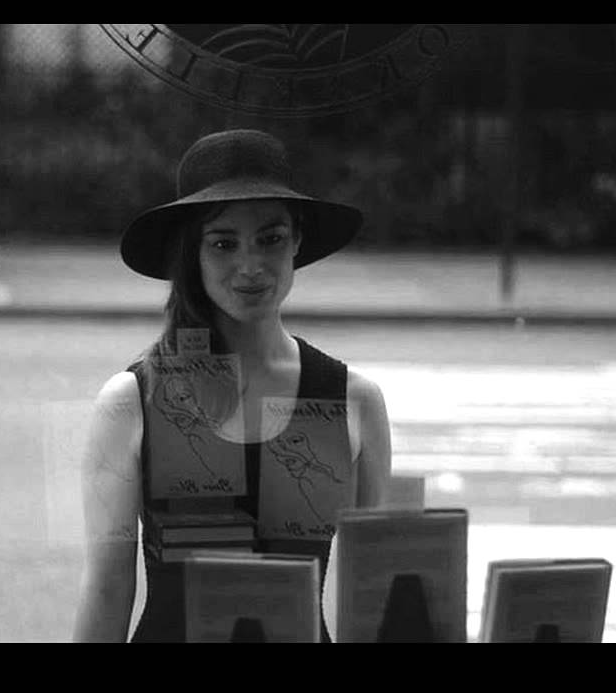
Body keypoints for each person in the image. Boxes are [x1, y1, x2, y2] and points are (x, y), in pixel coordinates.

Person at [73, 129, 392, 643]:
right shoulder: (134, 401)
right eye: (223, 244)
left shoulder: (355, 401)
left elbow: (371, 596)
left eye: (271, 238)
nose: (250, 266)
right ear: (192, 253)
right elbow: (109, 589)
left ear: (298, 240)